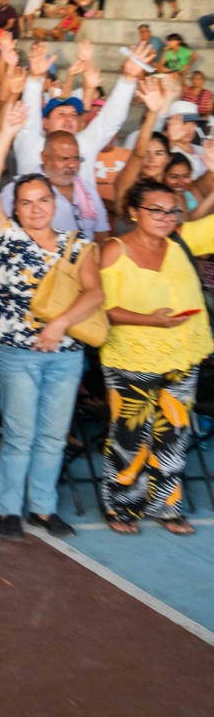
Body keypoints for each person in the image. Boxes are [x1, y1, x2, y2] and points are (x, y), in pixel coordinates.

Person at [0, 103, 103, 541]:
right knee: (18, 434)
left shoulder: (76, 243)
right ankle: (9, 508)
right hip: (15, 353)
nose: (35, 209)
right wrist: (8, 133)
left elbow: (95, 294)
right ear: (16, 207)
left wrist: (59, 325)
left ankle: (43, 508)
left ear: (55, 202)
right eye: (26, 203)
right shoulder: (5, 238)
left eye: (42, 201)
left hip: (65, 354)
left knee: (52, 436)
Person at [95, 178, 210, 536]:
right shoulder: (114, 250)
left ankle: (167, 506)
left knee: (174, 434)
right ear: (133, 212)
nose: (164, 217)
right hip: (131, 357)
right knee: (130, 436)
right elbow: (103, 308)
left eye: (171, 211)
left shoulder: (181, 241)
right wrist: (151, 320)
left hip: (182, 355)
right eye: (155, 210)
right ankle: (122, 506)